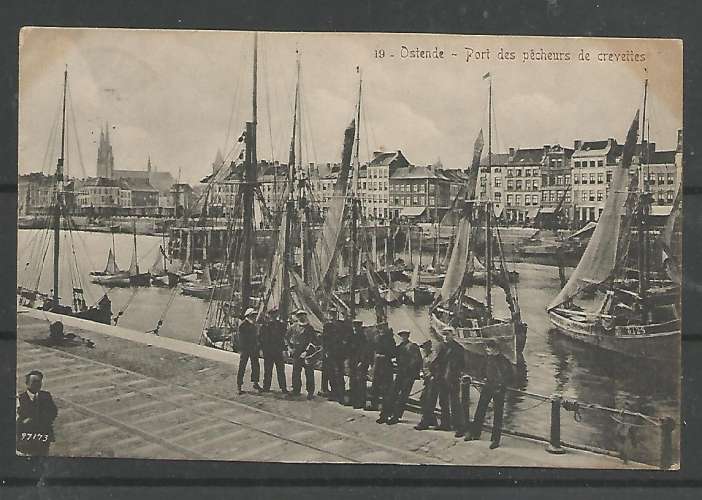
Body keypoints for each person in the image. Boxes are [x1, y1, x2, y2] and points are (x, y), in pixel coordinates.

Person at [465, 338, 513, 449]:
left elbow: (510, 377)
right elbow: (481, 371)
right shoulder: (487, 359)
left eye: (488, 348)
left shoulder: (504, 361)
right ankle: (475, 433)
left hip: (499, 389)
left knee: (498, 414)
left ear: (495, 349)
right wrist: (481, 379)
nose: (486, 350)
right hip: (488, 386)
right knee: (480, 410)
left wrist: (502, 385)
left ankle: (495, 439)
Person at [16, 370, 58, 456]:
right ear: (27, 383)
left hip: (44, 435)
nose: (37, 384)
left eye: (39, 381)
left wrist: (35, 419)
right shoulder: (20, 399)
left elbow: (53, 411)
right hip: (28, 438)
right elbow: (20, 419)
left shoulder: (46, 395)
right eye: (34, 382)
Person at [386, 329, 422, 425]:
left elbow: (417, 361)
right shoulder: (400, 347)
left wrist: (410, 370)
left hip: (408, 375)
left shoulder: (413, 347)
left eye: (405, 336)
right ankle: (389, 413)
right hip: (400, 373)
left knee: (403, 396)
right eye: (402, 336)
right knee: (393, 393)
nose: (403, 337)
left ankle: (396, 416)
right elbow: (392, 354)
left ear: (407, 336)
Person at [440, 327, 467, 437]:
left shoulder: (458, 348)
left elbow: (462, 365)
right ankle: (445, 423)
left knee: (455, 403)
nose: (445, 337)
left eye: (447, 335)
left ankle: (459, 427)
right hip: (442, 378)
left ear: (452, 335)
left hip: (453, 379)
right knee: (443, 402)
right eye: (444, 335)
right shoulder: (442, 347)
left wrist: (456, 374)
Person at [287, 309, 317, 399]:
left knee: (309, 373)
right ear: (297, 316)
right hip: (296, 352)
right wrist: (289, 348)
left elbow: (313, 341)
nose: (301, 317)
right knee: (296, 372)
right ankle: (296, 389)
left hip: (306, 354)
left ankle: (310, 392)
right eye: (299, 315)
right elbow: (286, 338)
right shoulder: (293, 327)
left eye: (303, 315)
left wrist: (306, 352)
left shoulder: (310, 328)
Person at [259, 310, 288, 394]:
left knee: (281, 370)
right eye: (272, 315)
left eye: (275, 315)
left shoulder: (281, 325)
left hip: (278, 351)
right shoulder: (264, 326)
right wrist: (261, 349)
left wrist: (284, 349)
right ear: (269, 315)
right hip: (268, 351)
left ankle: (283, 388)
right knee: (268, 370)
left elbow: (283, 338)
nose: (273, 317)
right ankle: (266, 387)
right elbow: (261, 339)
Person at [373, 326, 397, 423]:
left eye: (382, 329)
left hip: (385, 367)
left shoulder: (388, 340)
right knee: (381, 390)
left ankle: (385, 414)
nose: (381, 331)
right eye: (380, 329)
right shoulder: (379, 339)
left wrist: (382, 356)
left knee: (386, 391)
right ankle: (384, 413)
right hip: (380, 367)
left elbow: (392, 353)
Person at [237, 308, 262, 395]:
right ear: (249, 316)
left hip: (254, 349)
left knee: (255, 366)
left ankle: (255, 382)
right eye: (253, 315)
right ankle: (239, 385)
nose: (255, 317)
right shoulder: (243, 325)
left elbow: (257, 337)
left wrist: (257, 345)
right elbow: (242, 339)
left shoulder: (254, 325)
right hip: (246, 349)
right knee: (242, 366)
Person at [347, 319, 369, 409]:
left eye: (357, 326)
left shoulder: (363, 337)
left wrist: (362, 361)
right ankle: (352, 400)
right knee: (353, 381)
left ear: (360, 327)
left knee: (361, 382)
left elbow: (365, 350)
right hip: (353, 361)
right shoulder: (352, 335)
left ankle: (361, 402)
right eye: (354, 326)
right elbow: (348, 348)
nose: (355, 328)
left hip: (360, 362)